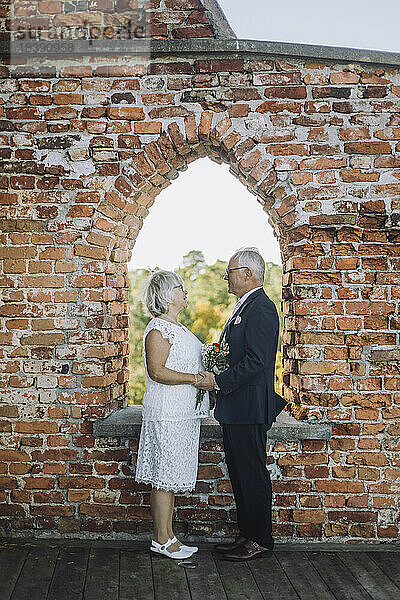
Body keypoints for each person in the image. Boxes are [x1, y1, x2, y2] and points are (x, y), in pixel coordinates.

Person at [195, 247, 287, 561]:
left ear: (248, 273)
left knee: (252, 474)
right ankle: (247, 534)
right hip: (236, 408)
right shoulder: (244, 307)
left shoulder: (261, 307)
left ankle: (261, 539)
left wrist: (218, 380)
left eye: (230, 271)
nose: (225, 278)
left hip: (249, 407)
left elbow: (257, 362)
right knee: (238, 472)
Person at [135, 270, 210, 560]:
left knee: (171, 477)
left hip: (182, 414)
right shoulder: (158, 329)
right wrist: (195, 378)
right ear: (167, 295)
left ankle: (170, 536)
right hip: (166, 412)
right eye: (180, 287)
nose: (186, 291)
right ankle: (160, 540)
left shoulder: (178, 327)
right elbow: (157, 371)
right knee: (163, 478)